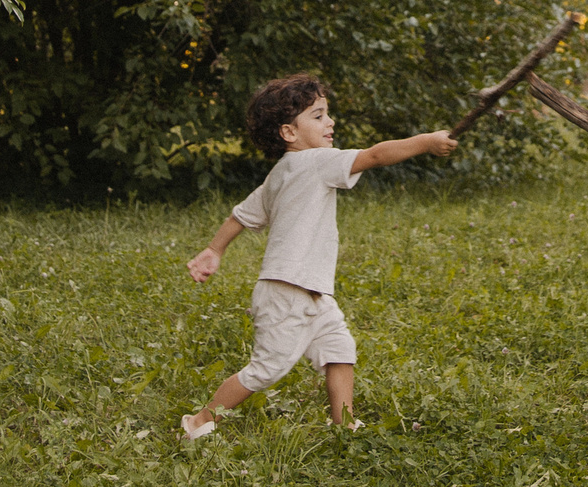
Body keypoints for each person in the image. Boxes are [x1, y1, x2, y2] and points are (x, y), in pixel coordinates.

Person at [181, 74, 456, 437]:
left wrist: (215, 249)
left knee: (340, 348)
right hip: (287, 290)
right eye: (319, 115)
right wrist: (426, 142)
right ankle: (199, 421)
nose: (331, 122)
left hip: (309, 291)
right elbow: (374, 155)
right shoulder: (316, 162)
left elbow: (240, 216)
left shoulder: (280, 174)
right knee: (267, 369)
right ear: (289, 133)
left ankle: (345, 425)